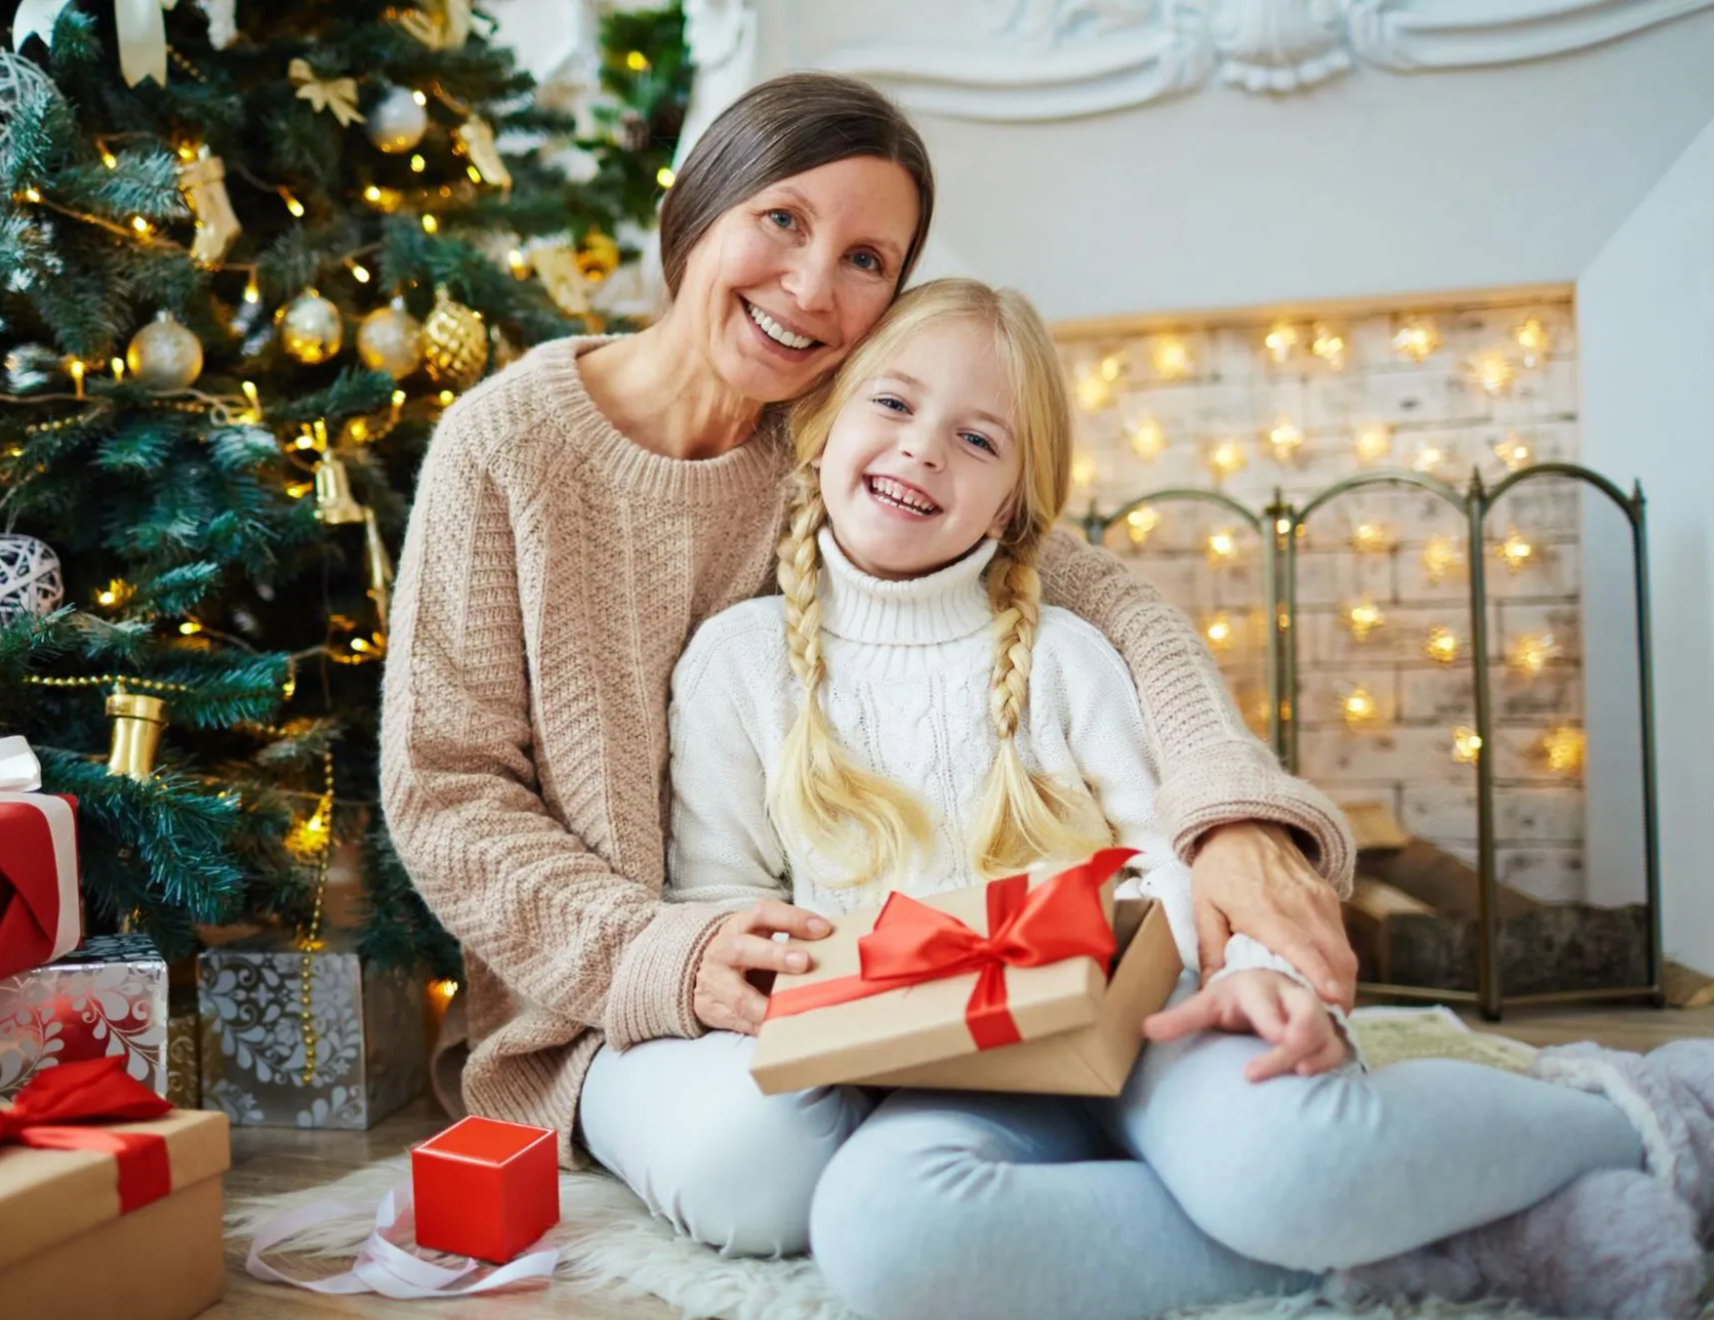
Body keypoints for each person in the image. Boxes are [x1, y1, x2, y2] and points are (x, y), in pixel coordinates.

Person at [381, 71, 1360, 1257]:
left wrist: (1228, 819)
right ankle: (1253, 1216)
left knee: (934, 1132)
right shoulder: (504, 445)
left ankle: (1264, 1194)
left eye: (866, 259)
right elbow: (444, 788)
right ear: (700, 208)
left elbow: (1099, 595)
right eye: (784, 220)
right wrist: (654, 953)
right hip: (607, 997)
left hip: (858, 985)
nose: (811, 286)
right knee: (763, 1179)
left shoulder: (838, 425)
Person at [659, 277, 1712, 1320]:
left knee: (1290, 1161)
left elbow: (1180, 853)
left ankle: (1652, 1109)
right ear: (822, 423)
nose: (924, 448)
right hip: (933, 1079)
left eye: (979, 440)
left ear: (1016, 500)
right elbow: (721, 900)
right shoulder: (737, 666)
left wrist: (1247, 971)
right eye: (891, 403)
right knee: (882, 1233)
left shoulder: (1067, 656)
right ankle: (1442, 1240)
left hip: (1157, 1019)